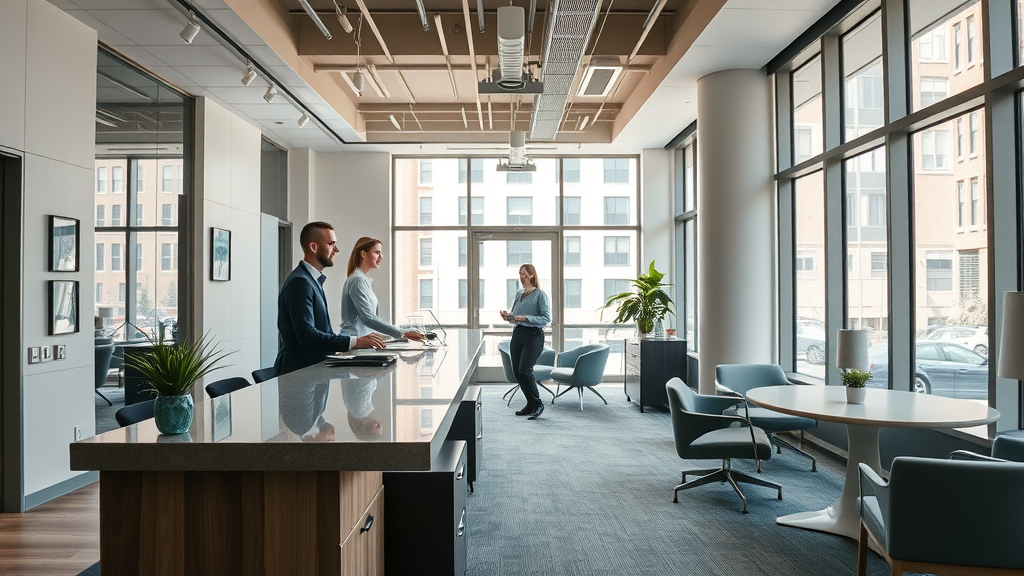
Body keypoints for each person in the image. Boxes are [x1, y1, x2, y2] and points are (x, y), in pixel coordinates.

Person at [274, 222, 385, 376]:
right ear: (314, 247)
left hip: (313, 371)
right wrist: (354, 342)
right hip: (299, 373)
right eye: (331, 244)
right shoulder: (300, 282)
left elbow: (322, 332)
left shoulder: (312, 280)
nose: (337, 250)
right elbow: (307, 334)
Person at [340, 237, 427, 343]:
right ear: (363, 254)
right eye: (377, 252)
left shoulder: (363, 279)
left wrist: (402, 331)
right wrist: (401, 333)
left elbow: (372, 321)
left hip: (364, 339)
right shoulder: (357, 280)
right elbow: (368, 318)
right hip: (356, 341)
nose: (381, 257)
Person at [501, 264, 551, 420]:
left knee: (525, 370)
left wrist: (524, 318)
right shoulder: (519, 294)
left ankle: (538, 404)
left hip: (533, 336)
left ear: (531, 275)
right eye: (520, 273)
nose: (521, 276)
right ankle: (530, 404)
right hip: (518, 334)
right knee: (517, 371)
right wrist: (508, 316)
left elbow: (546, 319)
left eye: (523, 274)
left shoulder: (540, 295)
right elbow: (514, 317)